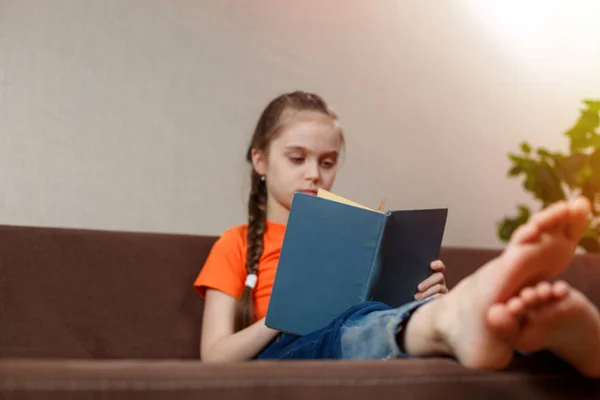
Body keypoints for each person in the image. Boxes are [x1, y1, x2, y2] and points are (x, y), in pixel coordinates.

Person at [194, 90, 600, 378]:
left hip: (365, 336)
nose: (315, 173)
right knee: (343, 326)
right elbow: (214, 358)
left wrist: (424, 296)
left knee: (382, 321)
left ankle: (538, 341)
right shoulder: (236, 243)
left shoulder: (353, 233)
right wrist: (283, 315)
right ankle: (451, 319)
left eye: (329, 161)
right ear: (260, 161)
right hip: (287, 354)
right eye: (297, 158)